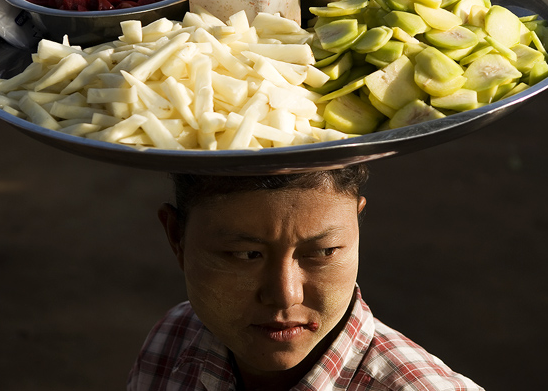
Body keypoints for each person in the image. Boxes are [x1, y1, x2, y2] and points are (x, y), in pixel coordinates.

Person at [127, 165, 483, 391]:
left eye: (324, 252)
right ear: (176, 237)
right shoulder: (174, 339)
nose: (285, 296)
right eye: (246, 255)